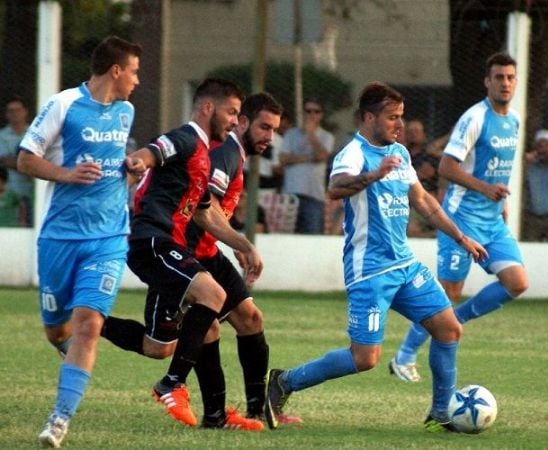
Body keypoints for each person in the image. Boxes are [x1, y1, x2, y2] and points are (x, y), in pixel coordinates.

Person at [264, 81, 487, 432]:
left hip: (404, 264)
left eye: (401, 117)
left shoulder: (400, 152)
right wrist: (373, 175)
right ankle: (285, 382)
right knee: (364, 358)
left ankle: (442, 413)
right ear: (369, 117)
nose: (399, 124)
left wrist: (461, 237)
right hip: (369, 271)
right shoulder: (353, 153)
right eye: (392, 117)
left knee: (448, 329)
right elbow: (335, 188)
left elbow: (424, 202)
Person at [101, 93, 291, 430]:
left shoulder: (214, 155)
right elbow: (200, 201)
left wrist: (241, 243)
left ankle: (250, 410)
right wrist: (138, 163)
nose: (269, 136)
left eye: (274, 129)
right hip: (178, 249)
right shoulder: (220, 152)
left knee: (247, 318)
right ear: (240, 121)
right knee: (163, 343)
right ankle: (93, 324)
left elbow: (204, 209)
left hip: (204, 252)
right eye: (263, 126)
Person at [16, 36, 146, 449]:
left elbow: (117, 167)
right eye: (135, 71)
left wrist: (133, 168)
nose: (138, 80)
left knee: (89, 325)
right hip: (60, 237)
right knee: (57, 330)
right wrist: (67, 174)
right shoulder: (64, 105)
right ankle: (67, 351)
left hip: (108, 238)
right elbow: (25, 158)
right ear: (116, 70)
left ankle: (59, 419)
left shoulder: (126, 111)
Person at [389, 52, 529, 383]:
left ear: (516, 81)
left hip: (491, 220)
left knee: (517, 283)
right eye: (499, 77)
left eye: (510, 77)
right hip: (461, 218)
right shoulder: (475, 118)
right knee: (447, 293)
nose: (505, 83)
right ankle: (404, 356)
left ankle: (455, 322)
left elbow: (499, 168)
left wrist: (499, 200)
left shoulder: (515, 120)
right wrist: (484, 188)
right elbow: (446, 167)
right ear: (487, 82)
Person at [279, 98, 334, 234]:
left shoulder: (327, 136)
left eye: (316, 111)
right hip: (291, 193)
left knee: (313, 236)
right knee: (287, 236)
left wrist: (311, 134)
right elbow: (283, 159)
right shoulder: (291, 134)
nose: (312, 114)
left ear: (321, 115)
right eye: (308, 111)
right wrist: (310, 158)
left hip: (314, 195)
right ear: (303, 113)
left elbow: (323, 156)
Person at [0, 96, 32, 226]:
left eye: (18, 109)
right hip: (8, 194)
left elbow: (41, 161)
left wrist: (12, 162)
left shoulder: (35, 133)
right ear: (6, 114)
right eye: (10, 111)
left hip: (31, 192)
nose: (14, 113)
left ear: (25, 111)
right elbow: (2, 161)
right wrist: (27, 164)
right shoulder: (1, 135)